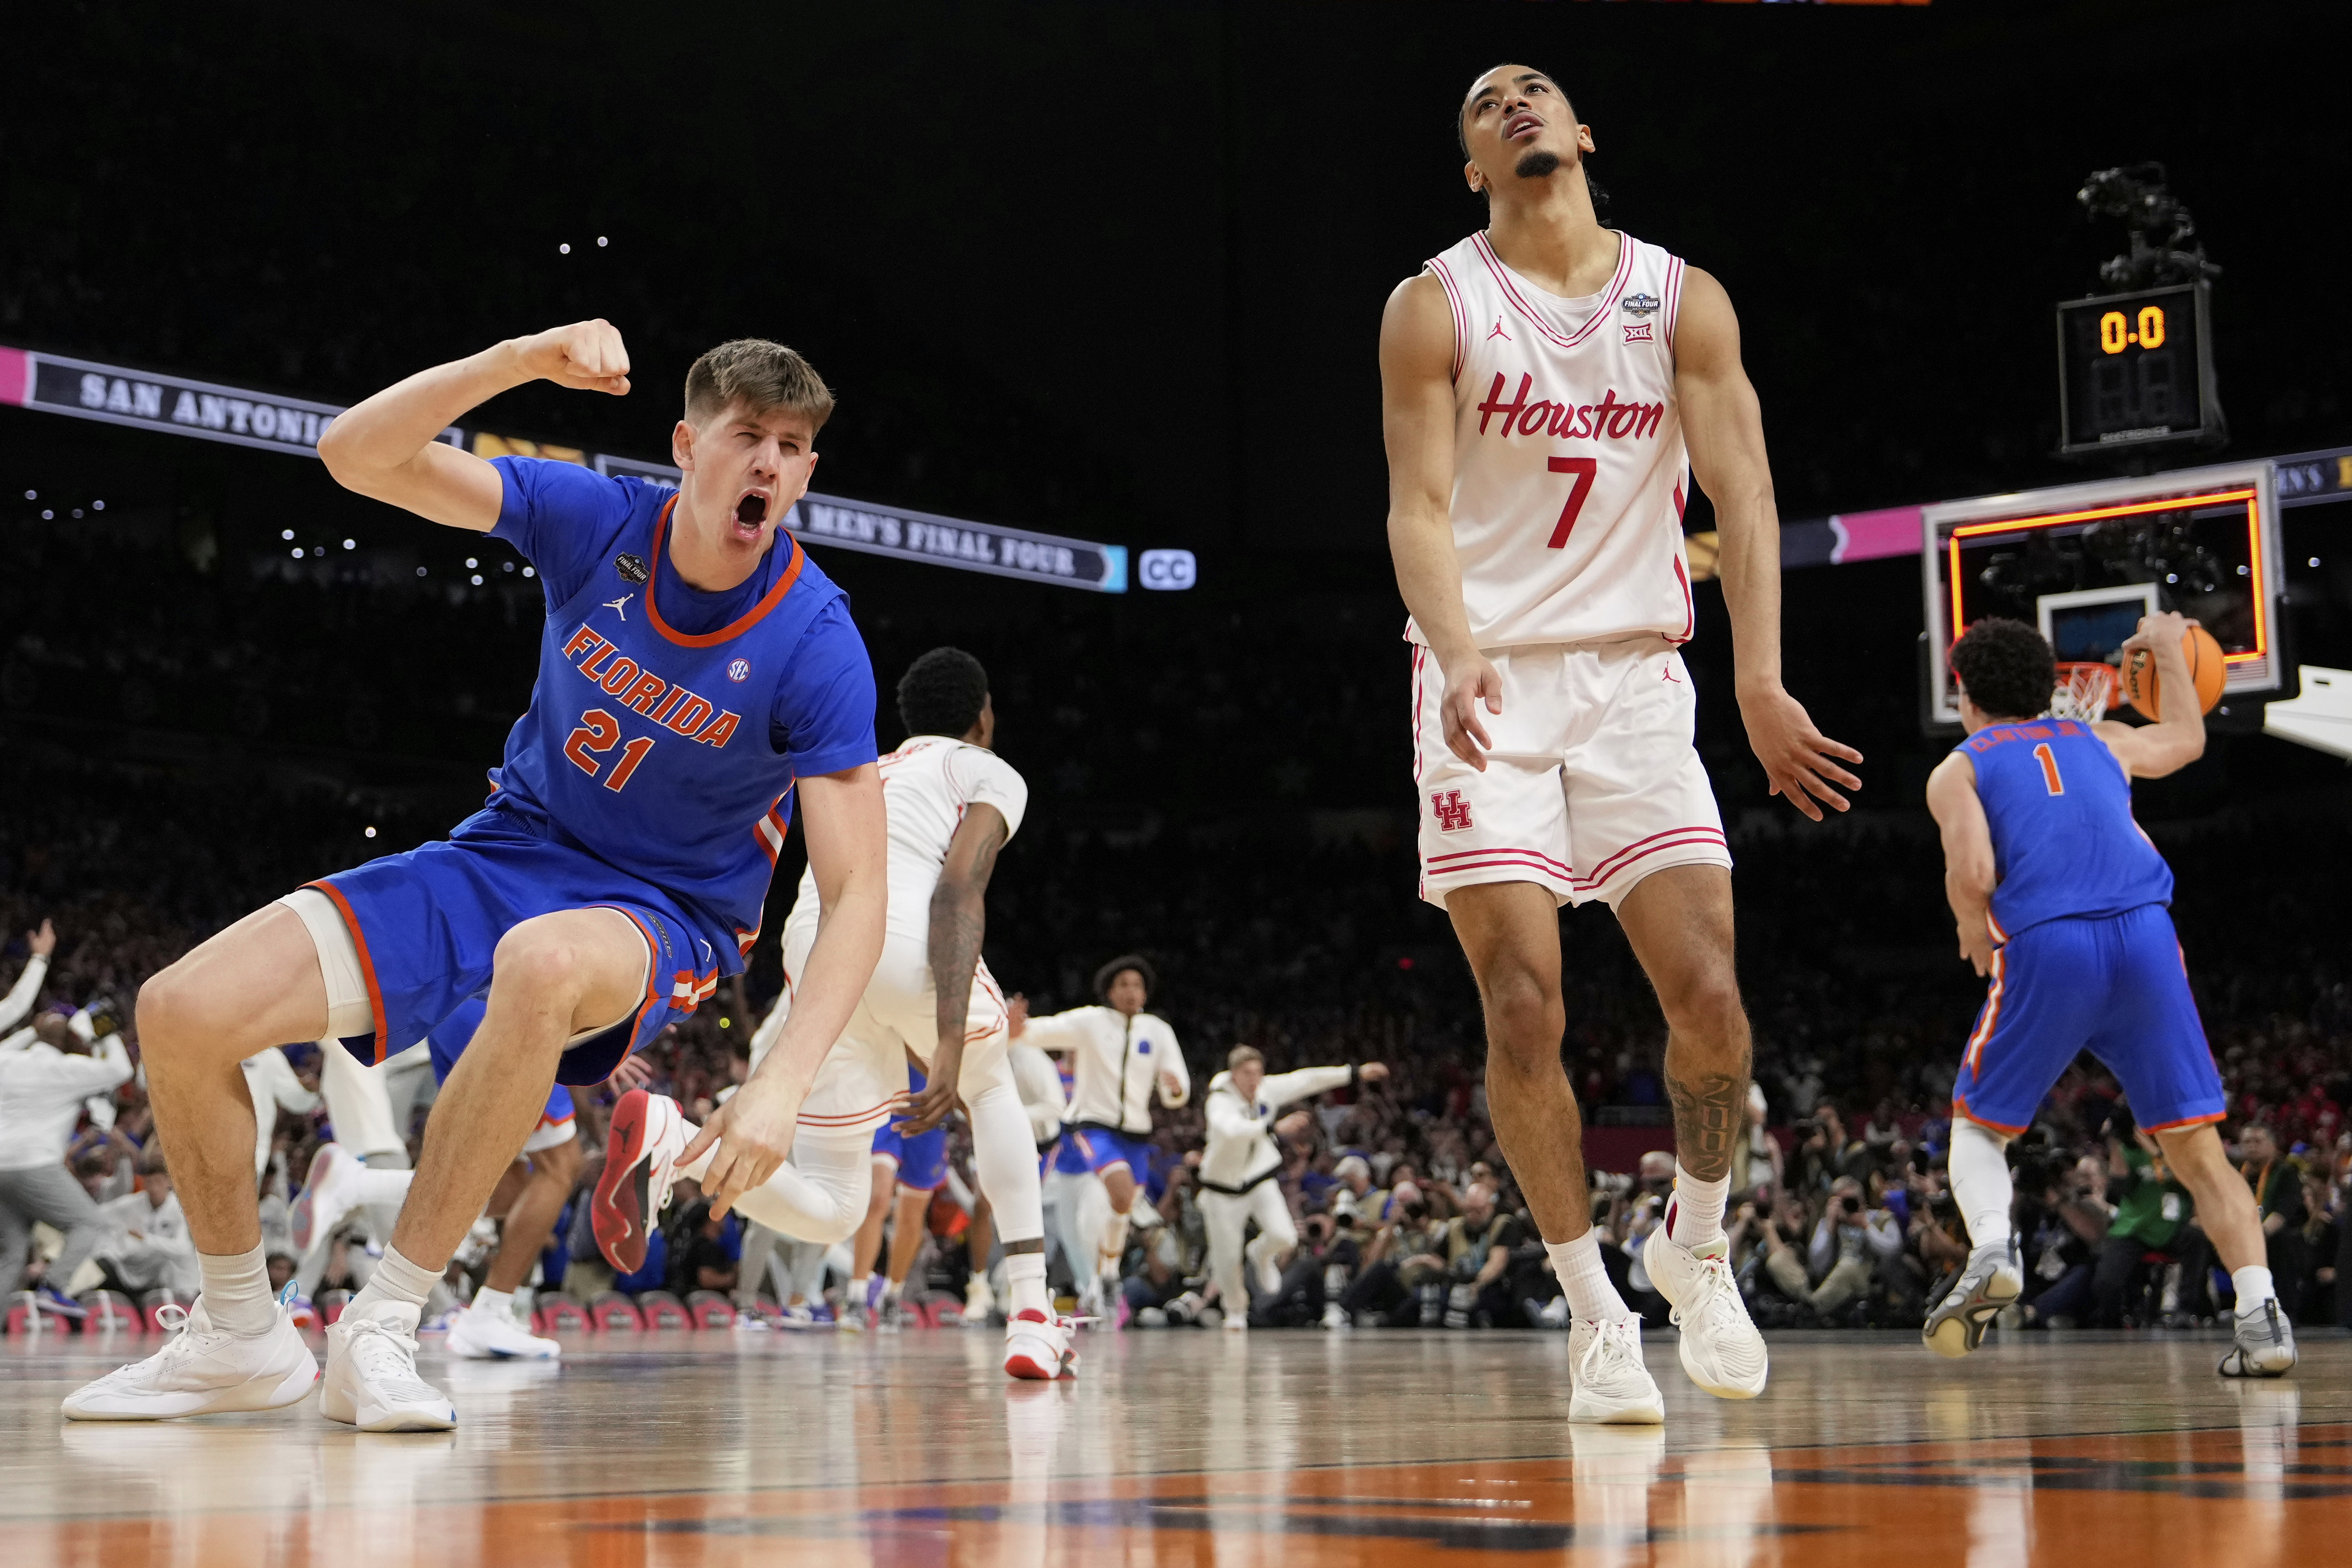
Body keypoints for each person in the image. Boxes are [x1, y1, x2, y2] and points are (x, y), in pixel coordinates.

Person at [63, 326, 888, 1428]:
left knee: (542, 961)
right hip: (505, 848)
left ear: (809, 471)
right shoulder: (597, 518)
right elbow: (355, 455)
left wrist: (781, 1079)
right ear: (687, 446)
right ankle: (236, 1334)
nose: (770, 466)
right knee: (180, 1011)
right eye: (748, 437)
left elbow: (861, 889)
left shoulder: (816, 637)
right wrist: (517, 361)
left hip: (664, 912)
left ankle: (387, 1323)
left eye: (792, 447)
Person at [1380, 64, 1857, 1421]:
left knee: (1709, 998)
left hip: (1639, 677)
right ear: (1472, 162)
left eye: (1539, 90)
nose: (1517, 104)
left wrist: (1758, 680)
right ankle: (1596, 1317)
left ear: (1584, 132)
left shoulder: (1678, 296)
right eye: (1485, 102)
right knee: (1526, 1004)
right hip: (1484, 684)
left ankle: (1693, 1244)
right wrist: (1458, 647)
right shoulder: (1435, 306)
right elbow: (1418, 507)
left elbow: (1746, 492)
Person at [598, 647, 1071, 1378]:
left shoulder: (867, 767)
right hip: (900, 928)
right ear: (983, 717)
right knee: (991, 1083)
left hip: (816, 945)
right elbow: (955, 891)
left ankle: (678, 1140)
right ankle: (1034, 1313)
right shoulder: (988, 769)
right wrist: (949, 1035)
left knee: (838, 1206)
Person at [1922, 613, 2294, 1376]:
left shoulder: (1958, 768)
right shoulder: (2100, 739)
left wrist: (1970, 928)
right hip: (2148, 939)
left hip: (2051, 942)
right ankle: (2261, 1316)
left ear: (1965, 694)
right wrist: (2164, 651)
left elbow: (1974, 873)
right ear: (2051, 685)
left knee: (1978, 1126)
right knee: (2197, 1150)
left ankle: (1994, 1246)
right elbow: (2187, 740)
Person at [289, 994, 622, 1359]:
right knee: (561, 1164)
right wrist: (601, 1040)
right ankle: (490, 1312)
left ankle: (357, 1185)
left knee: (505, 1191)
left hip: (456, 1016)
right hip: (505, 1010)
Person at [1014, 955, 1190, 1318]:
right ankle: (1096, 1280)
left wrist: (1174, 1089)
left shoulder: (1158, 1031)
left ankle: (1108, 1273)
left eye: (1137, 985)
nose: (1130, 991)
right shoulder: (1090, 1022)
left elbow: (1178, 1084)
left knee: (1122, 1210)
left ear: (1145, 993)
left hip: (1137, 1133)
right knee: (1120, 1195)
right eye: (1123, 984)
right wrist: (1020, 1028)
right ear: (1109, 991)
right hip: (1092, 1125)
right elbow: (1044, 1031)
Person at [1197, 1045, 1388, 1330]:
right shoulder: (1219, 1101)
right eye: (1247, 1074)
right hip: (1221, 1189)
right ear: (1234, 1075)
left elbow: (1306, 1080)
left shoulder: (1266, 1089)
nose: (1254, 1079)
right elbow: (1231, 1130)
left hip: (1258, 1178)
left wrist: (1354, 1073)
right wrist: (1274, 1129)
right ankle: (1235, 1311)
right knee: (1226, 1259)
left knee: (1285, 1237)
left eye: (1258, 1073)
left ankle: (1261, 1253)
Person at [0, 1008, 134, 1316]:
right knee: (90, 1223)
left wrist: (32, 1031)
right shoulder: (69, 1068)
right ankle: (55, 1286)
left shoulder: (7, 1062)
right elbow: (120, 1069)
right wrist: (102, 1031)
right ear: (67, 1041)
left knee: (13, 1251)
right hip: (36, 1165)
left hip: (1, 1167)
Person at [843, 1066, 950, 1332]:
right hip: (885, 1107)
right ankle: (856, 1298)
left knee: (912, 1215)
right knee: (877, 1200)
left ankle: (892, 1295)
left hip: (929, 1111)